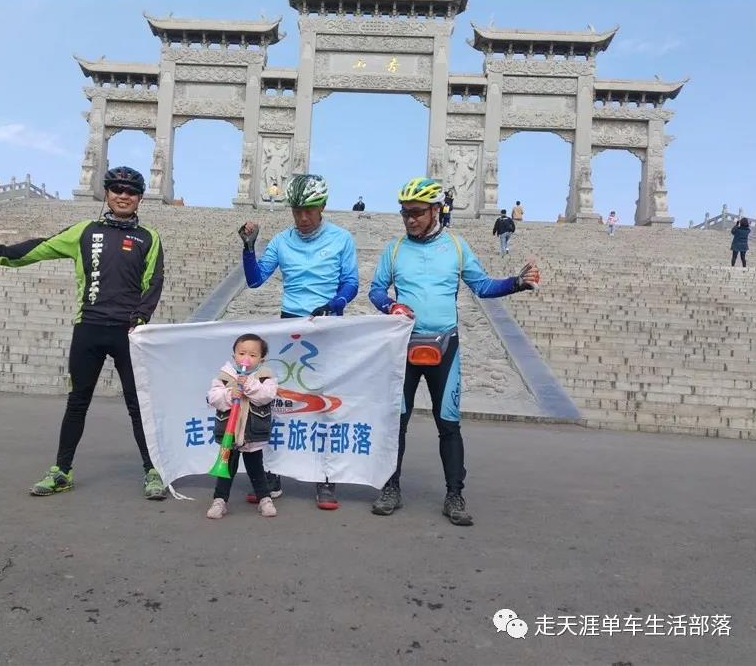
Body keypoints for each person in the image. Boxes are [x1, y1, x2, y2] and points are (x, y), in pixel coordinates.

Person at [0, 166, 167, 499]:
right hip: (88, 327)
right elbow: (38, 248)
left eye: (130, 191)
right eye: (116, 189)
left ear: (140, 199)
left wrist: (140, 318)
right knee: (77, 403)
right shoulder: (85, 232)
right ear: (106, 194)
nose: (123, 195)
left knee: (137, 405)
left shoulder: (148, 237)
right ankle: (62, 471)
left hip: (128, 334)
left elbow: (154, 282)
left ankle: (153, 471)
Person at [368, 177, 540, 526]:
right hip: (404, 345)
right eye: (405, 213)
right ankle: (390, 488)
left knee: (448, 424)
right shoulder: (395, 249)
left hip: (445, 346)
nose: (410, 219)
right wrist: (390, 307)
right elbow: (375, 290)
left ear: (435, 210)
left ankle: (454, 496)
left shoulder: (457, 247)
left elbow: (482, 285)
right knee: (396, 422)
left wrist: (516, 283)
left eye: (416, 212)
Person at [238, 173, 359, 510]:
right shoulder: (281, 240)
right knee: (279, 403)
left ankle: (325, 478)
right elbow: (255, 280)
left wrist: (336, 303)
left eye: (309, 210)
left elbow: (351, 282)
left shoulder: (341, 238)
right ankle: (272, 476)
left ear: (322, 207)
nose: (303, 218)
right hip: (289, 326)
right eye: (297, 211)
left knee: (323, 404)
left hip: (326, 326)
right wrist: (249, 248)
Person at [206, 334, 279, 519]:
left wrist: (249, 385)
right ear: (234, 356)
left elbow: (266, 396)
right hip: (229, 434)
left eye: (253, 355)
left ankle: (264, 499)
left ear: (261, 359)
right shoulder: (225, 376)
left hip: (251, 434)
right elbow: (213, 398)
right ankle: (219, 500)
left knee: (256, 467)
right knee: (227, 467)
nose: (246, 357)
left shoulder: (265, 377)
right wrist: (230, 393)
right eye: (242, 353)